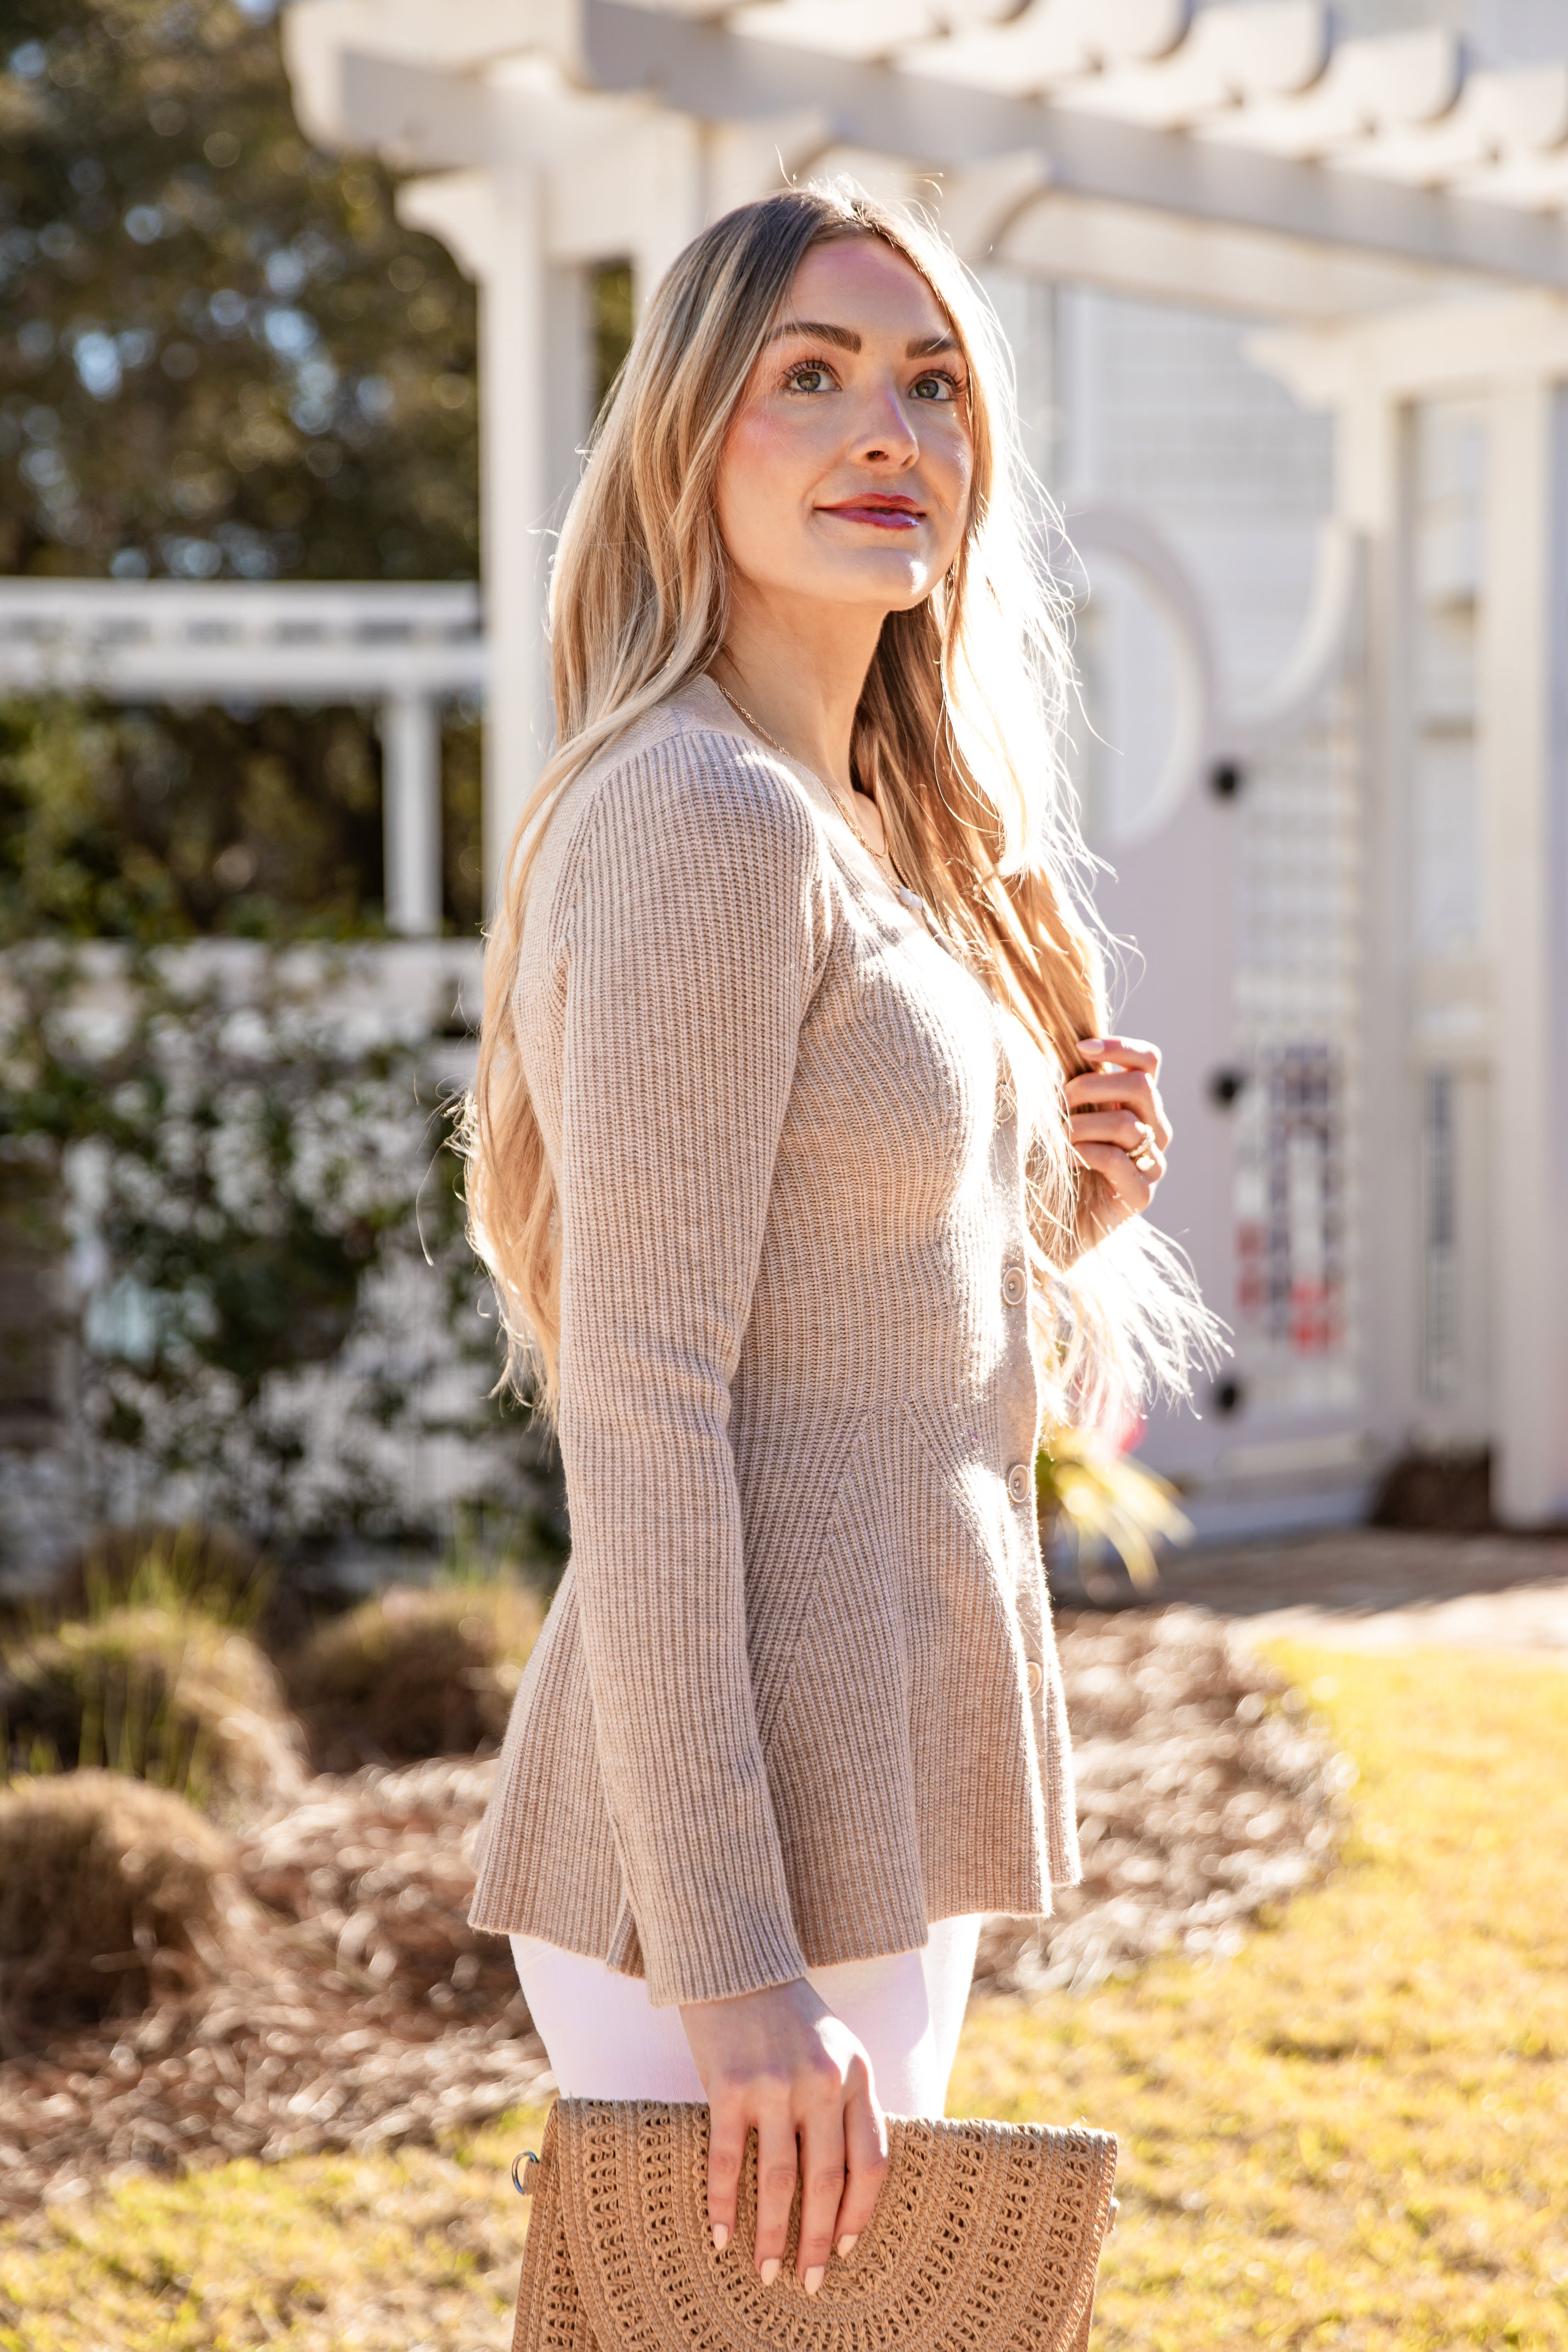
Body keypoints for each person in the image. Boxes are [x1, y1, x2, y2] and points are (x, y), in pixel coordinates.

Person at [461, 183, 1214, 2302]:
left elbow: (848, 1319)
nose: (889, 426)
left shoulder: (851, 830)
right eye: (811, 377)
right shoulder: (703, 820)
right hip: (743, 1857)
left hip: (859, 1780)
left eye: (931, 383)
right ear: (691, 441)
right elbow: (644, 1401)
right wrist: (737, 1975)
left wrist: (1065, 1199)